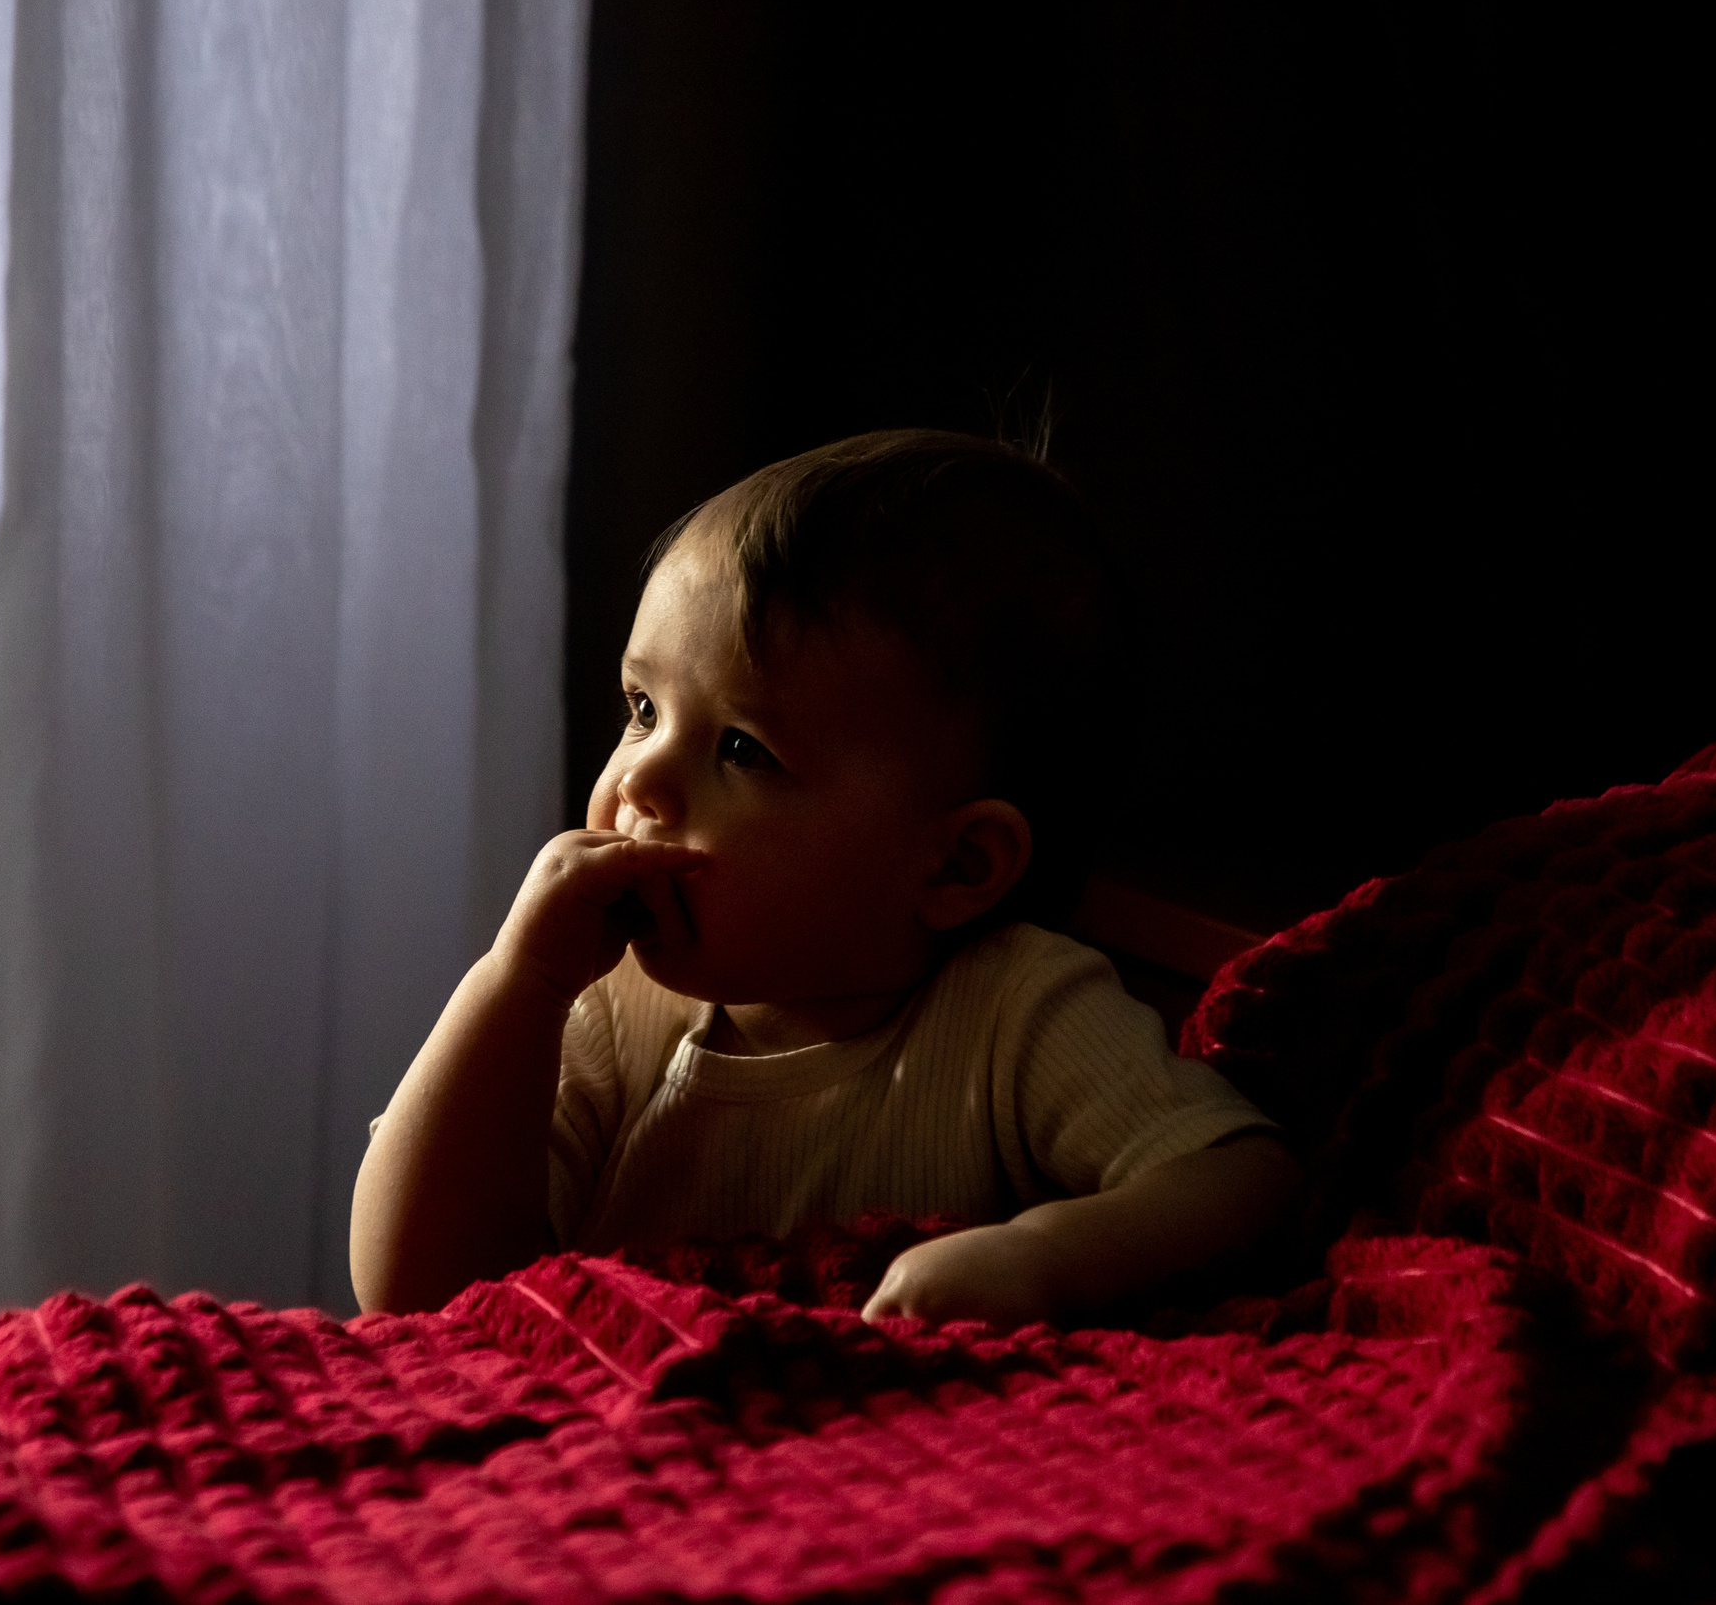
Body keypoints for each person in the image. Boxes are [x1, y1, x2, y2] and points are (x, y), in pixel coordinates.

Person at [350, 429, 1300, 1322]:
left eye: (740, 748)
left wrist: (1045, 1257)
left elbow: (1240, 1178)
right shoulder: (607, 1009)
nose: (637, 776)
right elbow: (414, 1285)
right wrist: (515, 983)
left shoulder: (1016, 1013)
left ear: (956, 863)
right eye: (643, 707)